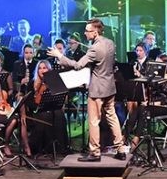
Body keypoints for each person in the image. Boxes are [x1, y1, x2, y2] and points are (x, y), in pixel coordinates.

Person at [49, 18, 124, 161]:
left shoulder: (94, 49)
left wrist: (59, 55)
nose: (85, 33)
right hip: (109, 87)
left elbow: (77, 65)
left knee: (94, 121)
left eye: (87, 31)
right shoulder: (110, 43)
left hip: (97, 90)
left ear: (95, 32)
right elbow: (106, 62)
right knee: (112, 118)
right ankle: (120, 149)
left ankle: (95, 152)